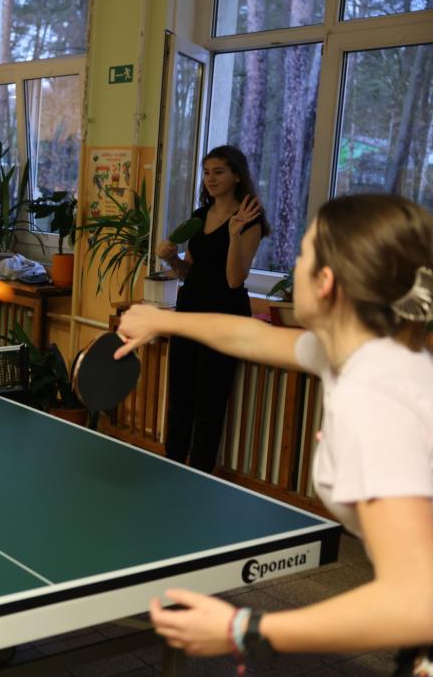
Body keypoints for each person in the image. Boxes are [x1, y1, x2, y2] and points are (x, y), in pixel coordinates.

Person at [115, 193, 433, 675]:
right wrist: (162, 319)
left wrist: (246, 629)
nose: (295, 265)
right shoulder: (366, 353)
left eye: (302, 255)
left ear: (326, 283)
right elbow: (251, 336)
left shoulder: (374, 395)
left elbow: (415, 601)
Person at [156, 145, 268, 472]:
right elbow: (189, 272)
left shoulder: (250, 221)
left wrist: (234, 236)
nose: (211, 179)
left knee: (209, 402)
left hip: (224, 316)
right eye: (207, 173)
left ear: (237, 176)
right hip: (190, 311)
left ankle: (199, 475)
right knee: (180, 397)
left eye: (219, 172)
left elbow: (234, 279)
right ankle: (172, 466)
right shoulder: (199, 216)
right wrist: (172, 259)